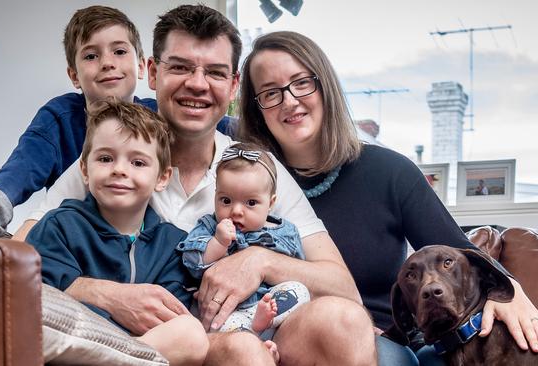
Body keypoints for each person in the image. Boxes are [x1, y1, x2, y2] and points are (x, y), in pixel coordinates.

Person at [19, 5, 377, 366]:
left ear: (233, 85)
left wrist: (259, 261)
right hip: (169, 343)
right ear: (153, 72)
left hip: (250, 323)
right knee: (242, 351)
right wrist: (107, 294)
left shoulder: (255, 167)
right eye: (180, 67)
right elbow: (14, 262)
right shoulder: (114, 160)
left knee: (344, 321)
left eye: (216, 73)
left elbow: (343, 288)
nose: (198, 83)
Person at [236, 30, 538, 365]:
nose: (290, 100)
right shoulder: (244, 184)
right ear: (257, 109)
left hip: (377, 339)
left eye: (302, 82)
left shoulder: (389, 171)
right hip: (279, 338)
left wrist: (512, 292)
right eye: (270, 93)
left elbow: (459, 252)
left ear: (325, 86)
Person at [0, 5, 232, 239]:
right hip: (76, 241)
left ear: (140, 66)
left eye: (119, 52)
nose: (107, 63)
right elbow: (16, 174)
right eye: (91, 56)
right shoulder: (60, 119)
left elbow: (216, 123)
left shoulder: (155, 115)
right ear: (74, 75)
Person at [25, 99, 208, 365]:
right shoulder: (60, 226)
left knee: (191, 335)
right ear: (85, 170)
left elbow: (167, 318)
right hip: (76, 346)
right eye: (106, 158)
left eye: (138, 162)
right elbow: (41, 299)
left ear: (162, 178)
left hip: (142, 349)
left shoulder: (174, 244)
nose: (120, 169)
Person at [178, 142, 310, 348]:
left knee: (299, 289)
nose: (236, 211)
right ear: (215, 196)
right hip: (227, 313)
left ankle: (261, 327)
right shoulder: (211, 227)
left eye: (250, 203)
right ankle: (256, 339)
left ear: (271, 202)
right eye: (226, 200)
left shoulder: (286, 232)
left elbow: (298, 270)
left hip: (270, 307)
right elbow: (192, 262)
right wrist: (218, 243)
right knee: (217, 324)